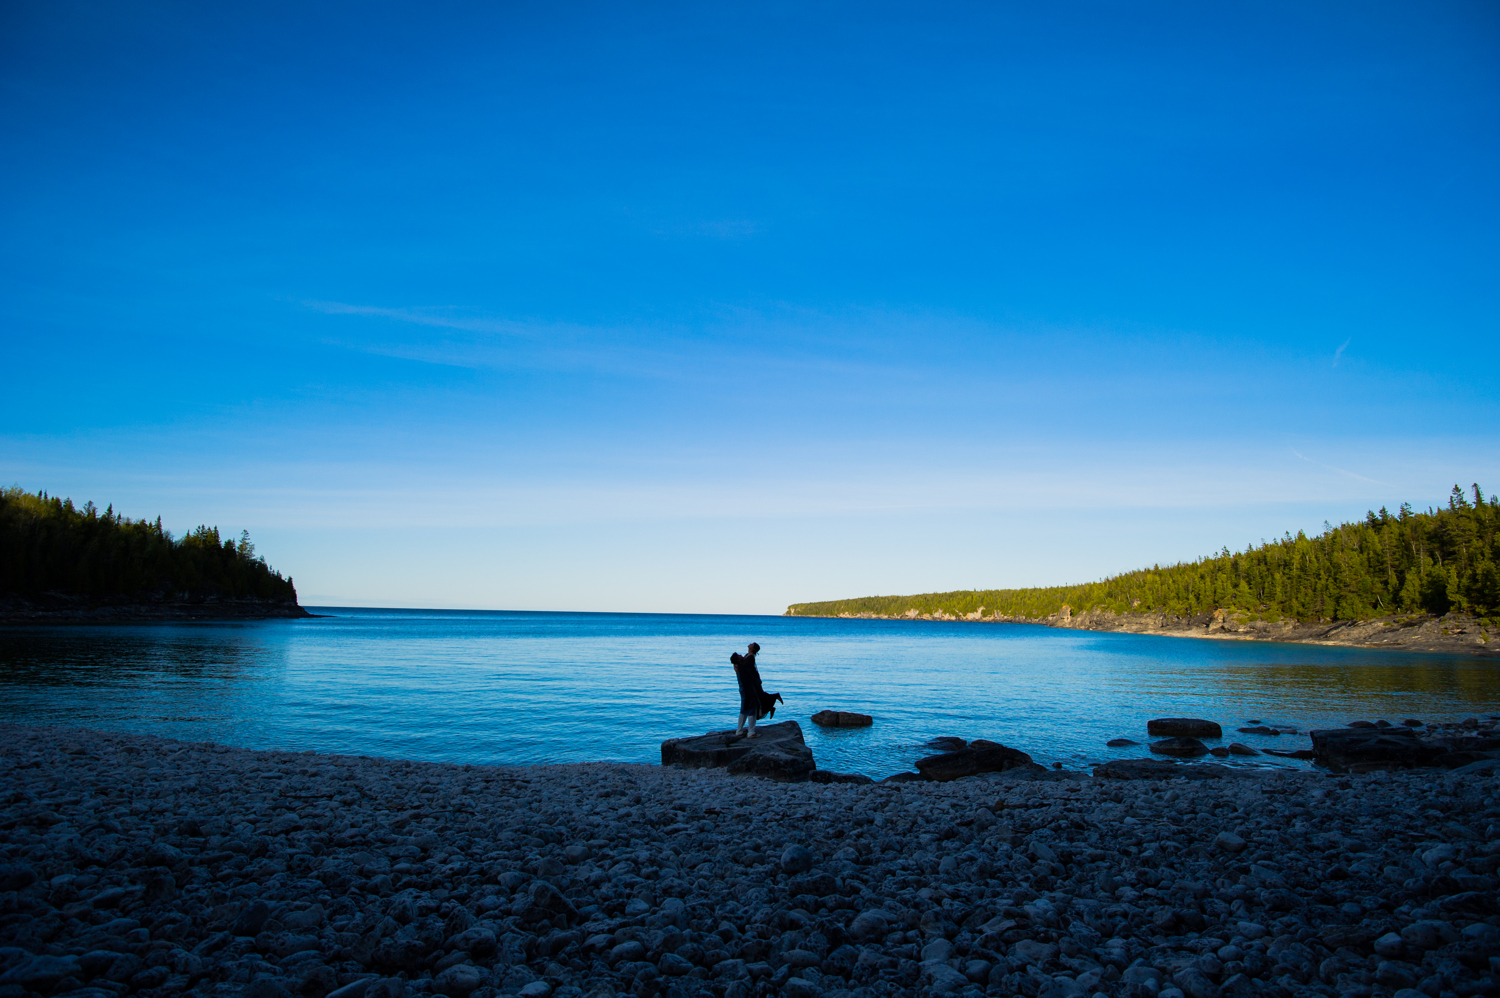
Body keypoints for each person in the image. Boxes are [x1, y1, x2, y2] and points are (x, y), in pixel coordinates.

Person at [730, 642, 767, 739]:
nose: (750, 644)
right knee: (749, 708)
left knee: (747, 707)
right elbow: (747, 671)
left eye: (752, 644)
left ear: (753, 648)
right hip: (746, 687)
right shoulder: (747, 657)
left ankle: (742, 731)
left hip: (746, 687)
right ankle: (750, 732)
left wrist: (736, 665)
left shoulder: (750, 658)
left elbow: (747, 670)